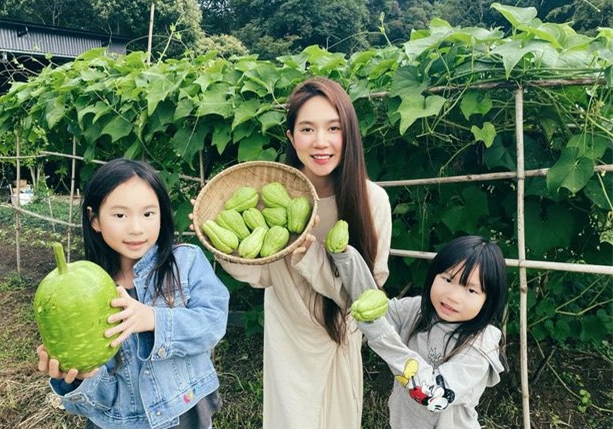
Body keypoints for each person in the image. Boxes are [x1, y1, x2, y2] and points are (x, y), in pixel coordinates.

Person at [203, 77, 393, 428]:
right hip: (287, 333)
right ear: (291, 138)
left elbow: (366, 297)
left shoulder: (373, 201)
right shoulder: (270, 196)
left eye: (333, 128)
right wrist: (223, 248)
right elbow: (261, 273)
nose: (320, 141)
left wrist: (311, 258)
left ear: (349, 134)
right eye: (307, 129)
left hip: (339, 338)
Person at [36, 158, 230, 429]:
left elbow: (214, 323)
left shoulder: (186, 262)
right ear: (94, 219)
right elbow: (103, 400)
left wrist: (153, 319)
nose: (136, 228)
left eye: (148, 214)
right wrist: (81, 378)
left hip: (185, 415)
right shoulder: (82, 292)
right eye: (120, 215)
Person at [332, 235, 508, 429]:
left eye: (471, 290)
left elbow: (435, 396)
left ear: (488, 301)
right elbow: (372, 307)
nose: (453, 296)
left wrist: (380, 335)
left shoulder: (479, 348)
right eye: (448, 279)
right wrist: (346, 258)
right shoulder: (417, 311)